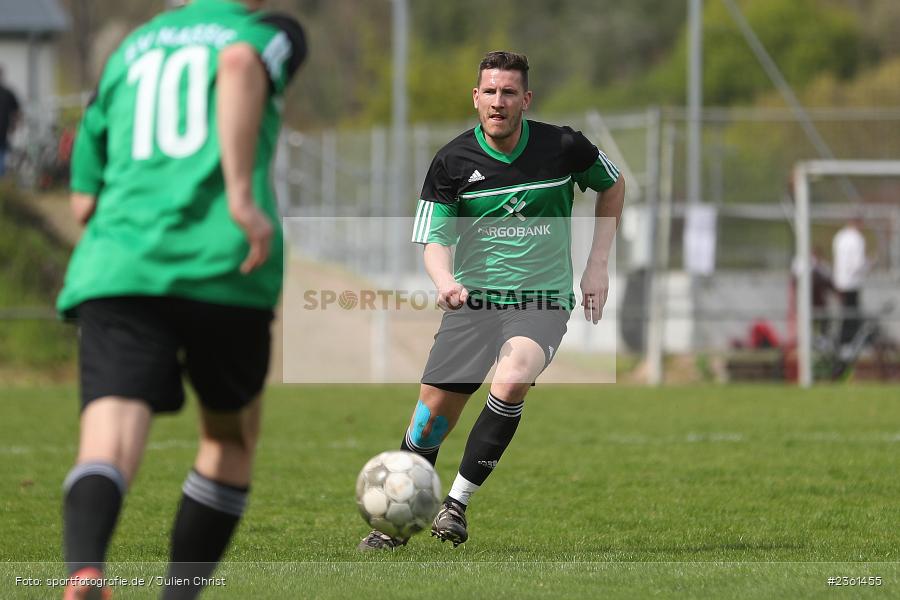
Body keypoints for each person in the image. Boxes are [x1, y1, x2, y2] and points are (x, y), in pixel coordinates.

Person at [56, 1, 305, 598]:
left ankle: (85, 568)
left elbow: (83, 201)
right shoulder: (268, 31)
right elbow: (240, 63)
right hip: (222, 265)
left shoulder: (130, 50)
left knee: (108, 438)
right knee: (227, 439)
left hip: (121, 266)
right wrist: (239, 195)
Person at [359, 51, 625, 550]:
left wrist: (597, 263)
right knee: (431, 419)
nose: (498, 102)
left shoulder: (564, 146)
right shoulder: (452, 161)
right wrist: (444, 280)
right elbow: (435, 240)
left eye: (508, 92)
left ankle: (455, 505)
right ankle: (395, 522)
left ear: (526, 99)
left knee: (514, 375)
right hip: (473, 302)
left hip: (541, 300)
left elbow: (612, 184)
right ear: (475, 98)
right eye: (489, 92)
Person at [832, 216, 868, 349]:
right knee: (852, 314)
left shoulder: (839, 236)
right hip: (852, 283)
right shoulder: (857, 238)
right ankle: (848, 342)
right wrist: (868, 265)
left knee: (845, 313)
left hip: (840, 281)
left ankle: (843, 341)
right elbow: (858, 264)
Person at [0, 65, 21, 177]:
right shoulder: (8, 93)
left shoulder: (8, 93)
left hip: (3, 132)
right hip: (4, 131)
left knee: (2, 157)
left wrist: (14, 126)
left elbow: (16, 111)